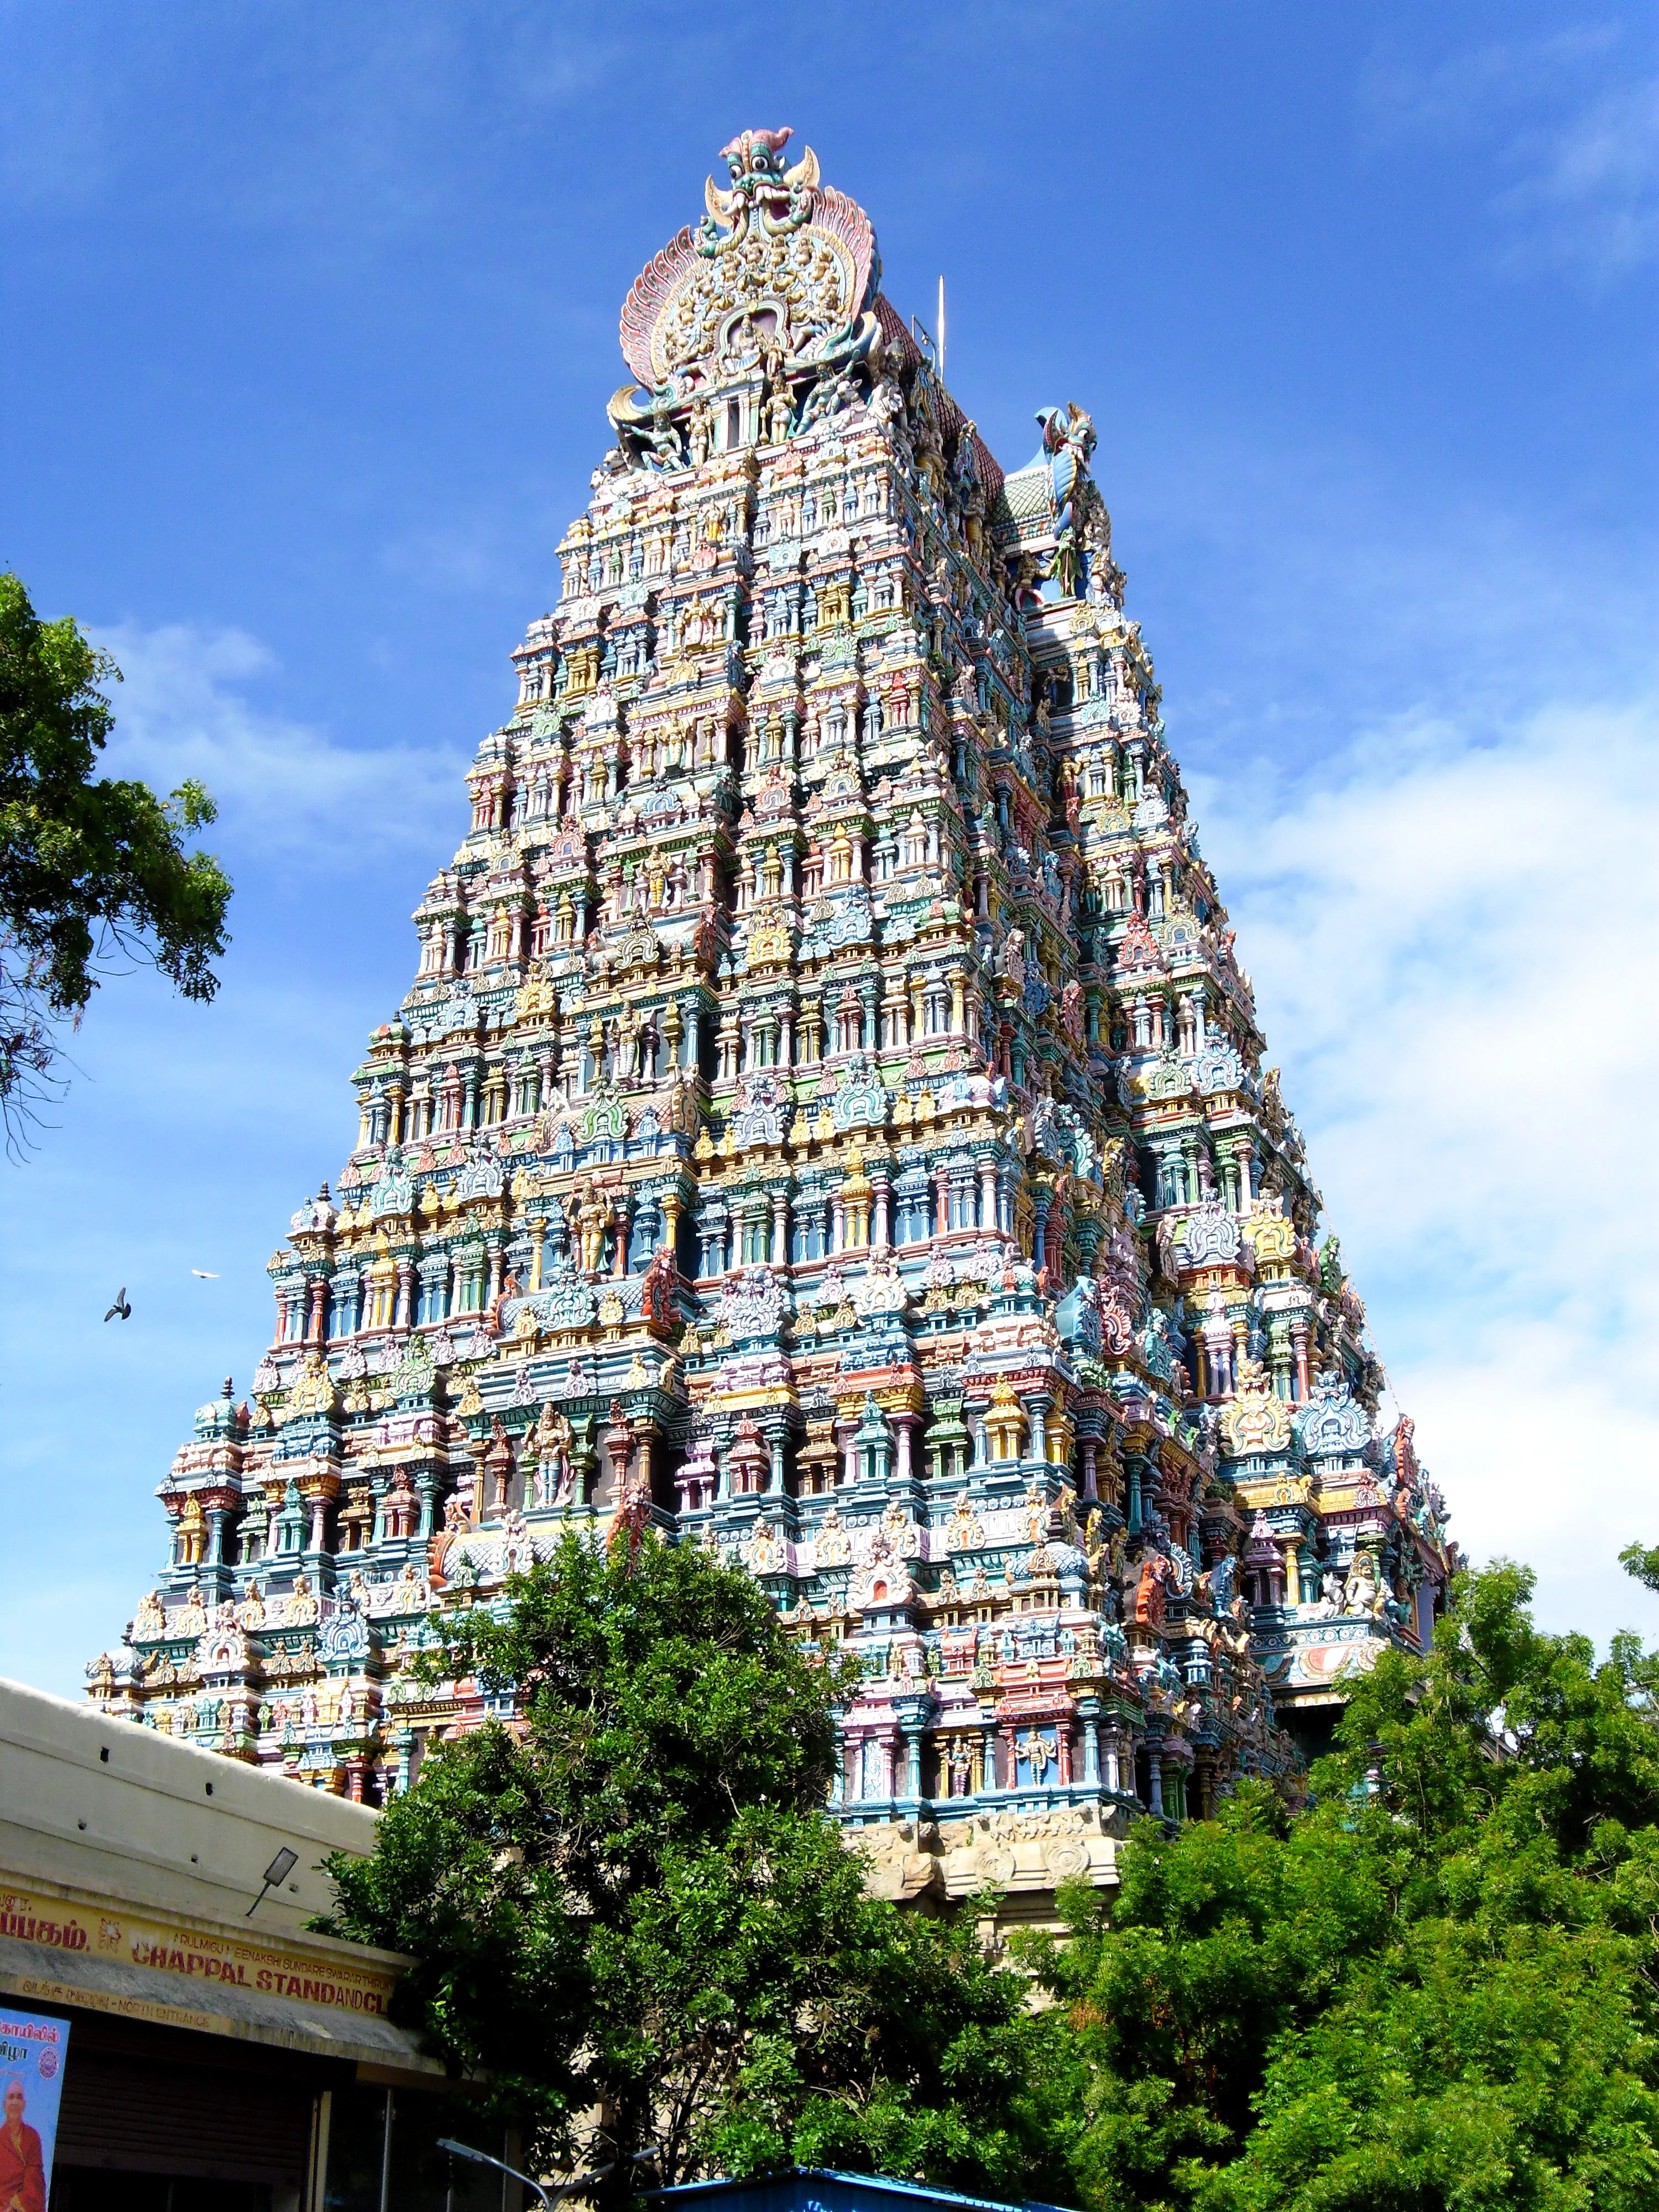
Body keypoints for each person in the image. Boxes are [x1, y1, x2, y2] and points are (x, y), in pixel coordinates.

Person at [1, 2078, 46, 2212]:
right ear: (4, 2105)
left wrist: (15, 2205)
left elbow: (35, 2179)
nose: (15, 2102)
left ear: (24, 2104)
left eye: (19, 2098)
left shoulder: (33, 2138)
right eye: (11, 2097)